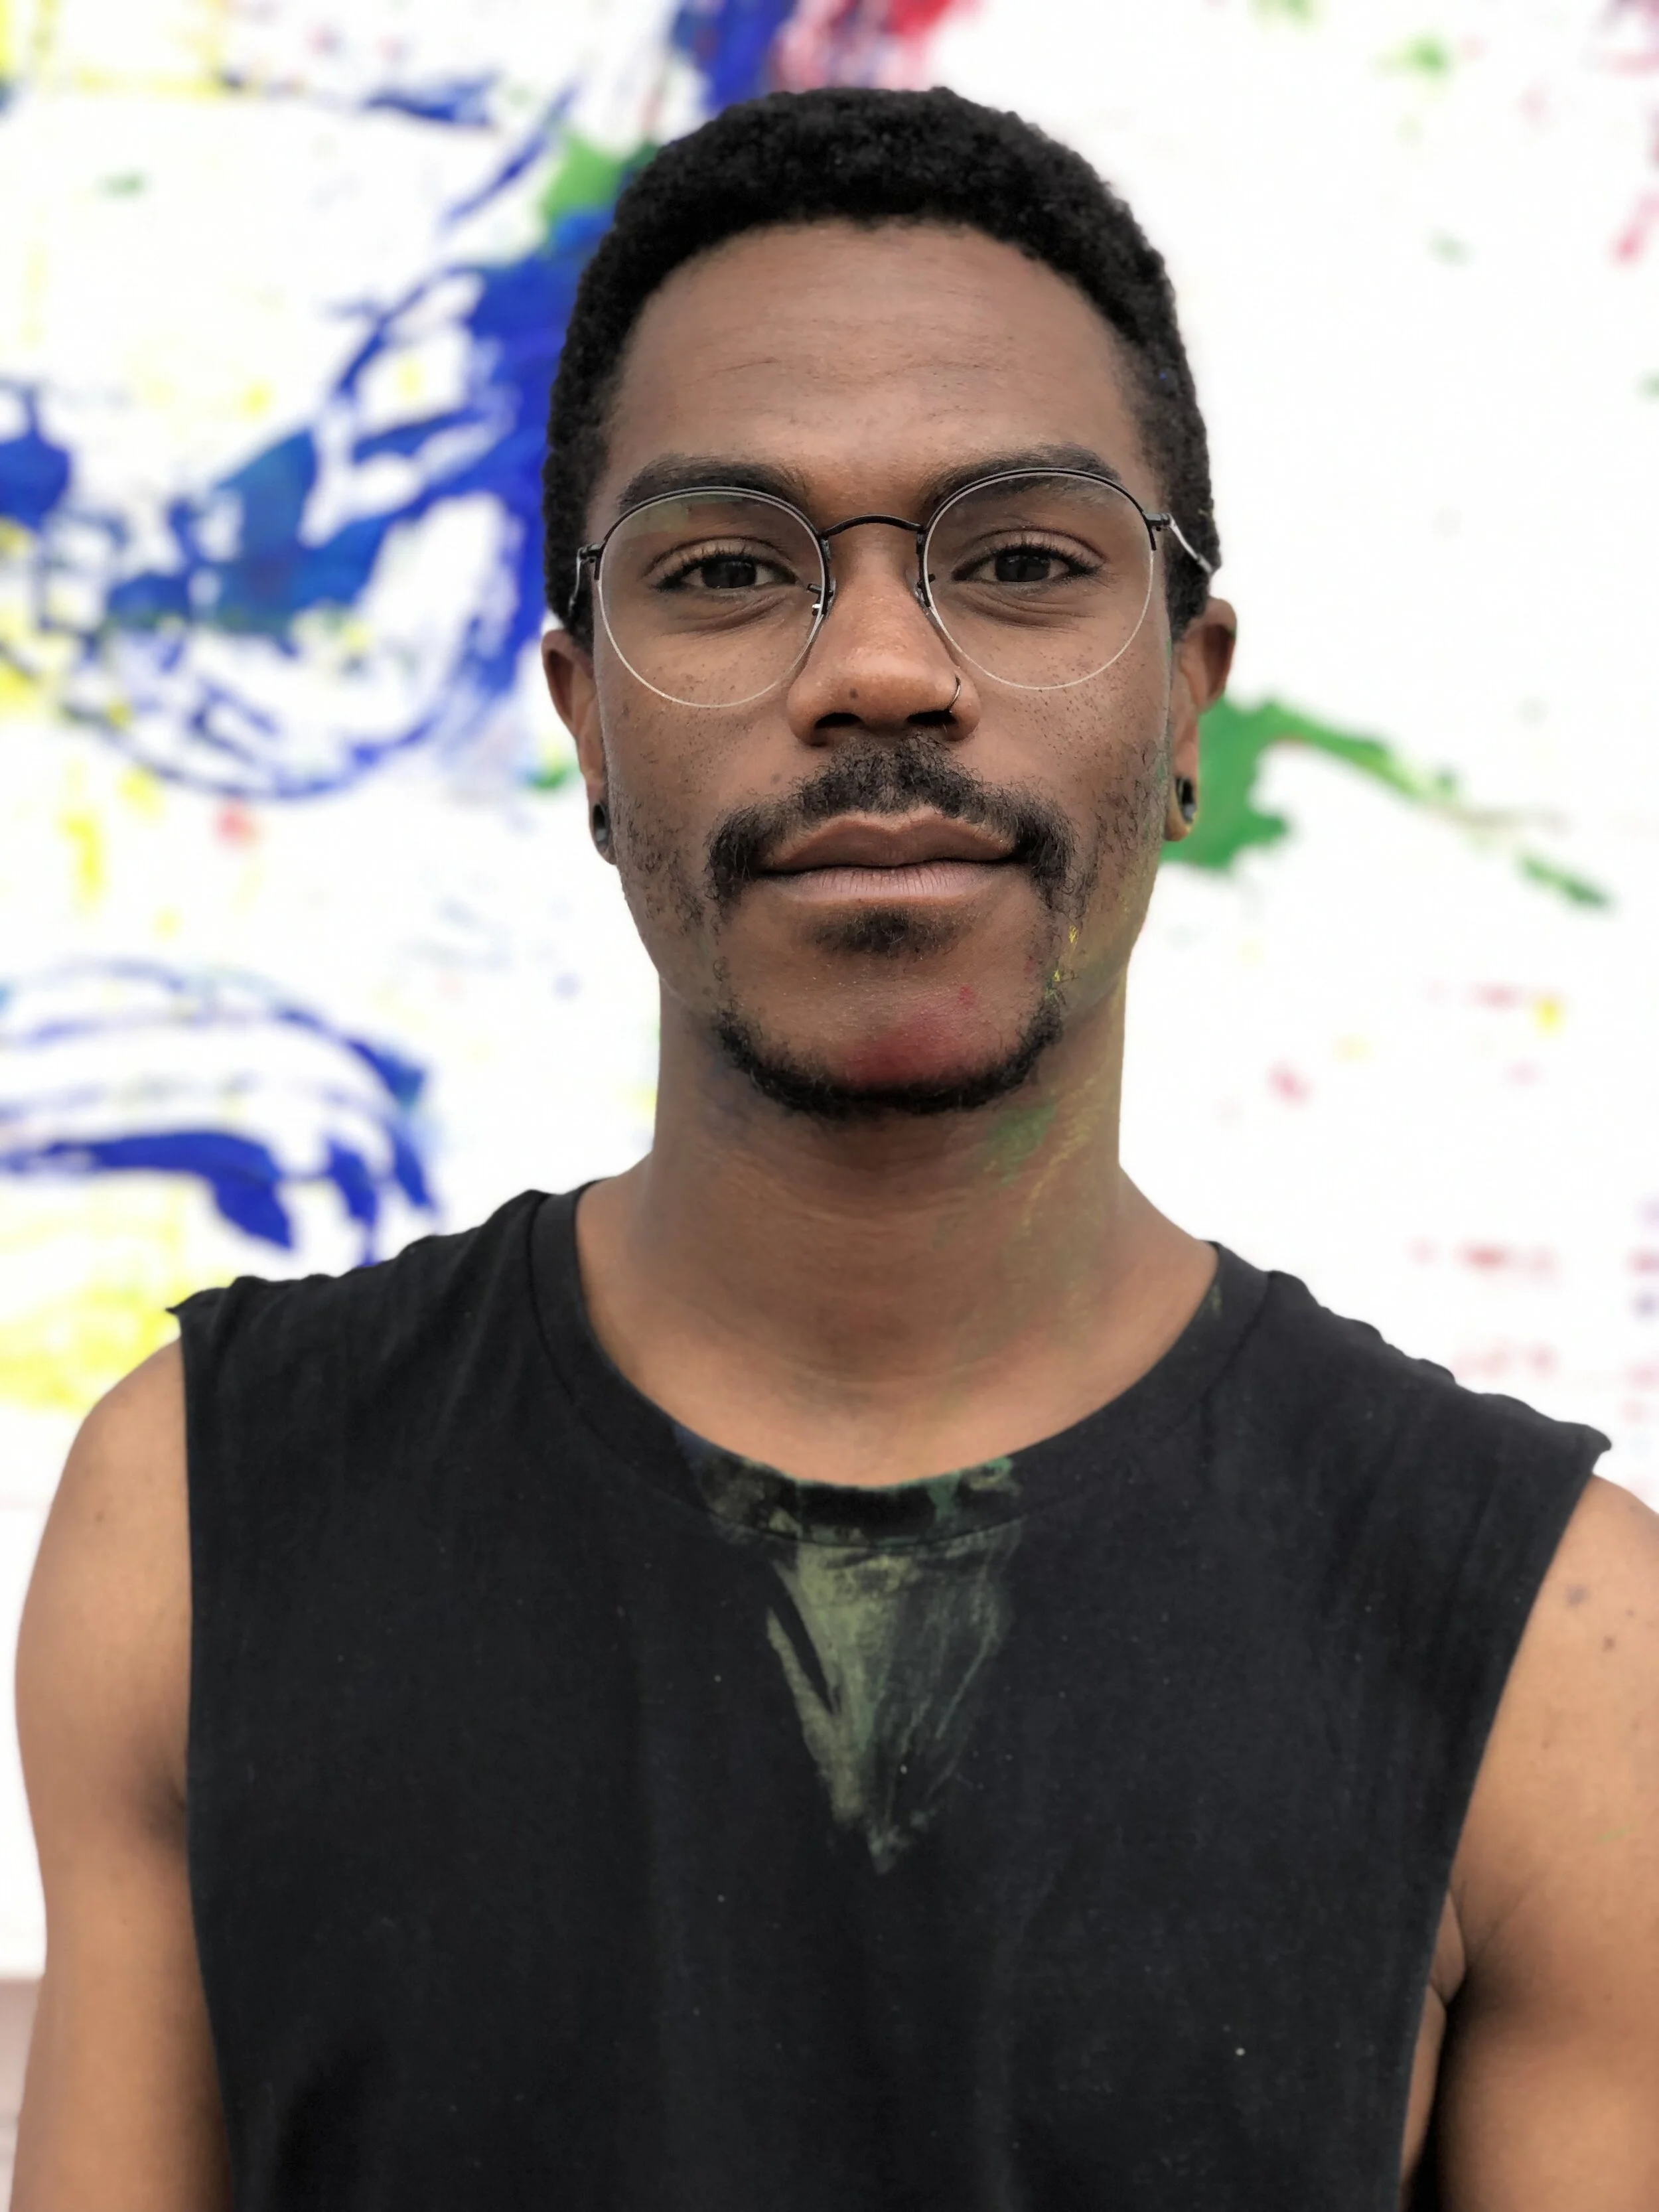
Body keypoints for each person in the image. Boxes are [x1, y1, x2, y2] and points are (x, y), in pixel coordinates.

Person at [13, 85, 1659, 2212]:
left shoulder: (1552, 1646)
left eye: (1021, 561)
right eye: (723, 569)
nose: (880, 666)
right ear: (584, 715)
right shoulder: (199, 1515)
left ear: (1187, 699)